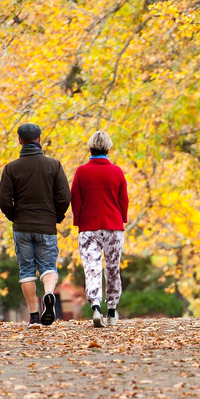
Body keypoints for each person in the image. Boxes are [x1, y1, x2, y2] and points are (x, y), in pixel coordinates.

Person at [0, 122, 70, 328]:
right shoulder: (53, 165)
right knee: (48, 267)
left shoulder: (11, 168)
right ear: (39, 139)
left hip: (22, 227)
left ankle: (34, 317)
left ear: (20, 141)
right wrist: (56, 215)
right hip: (46, 226)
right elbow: (64, 196)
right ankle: (48, 294)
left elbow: (3, 199)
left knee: (27, 270)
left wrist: (14, 216)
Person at [70, 130, 128, 328]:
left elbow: (75, 199)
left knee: (92, 268)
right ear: (108, 148)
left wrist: (78, 220)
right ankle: (112, 309)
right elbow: (123, 200)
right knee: (112, 268)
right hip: (113, 225)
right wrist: (122, 219)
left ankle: (96, 306)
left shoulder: (81, 172)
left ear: (90, 148)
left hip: (89, 226)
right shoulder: (117, 172)